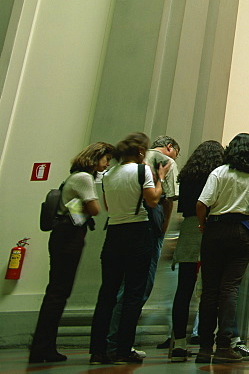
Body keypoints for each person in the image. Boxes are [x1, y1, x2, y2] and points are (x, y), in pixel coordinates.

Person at [28, 141, 114, 363]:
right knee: (59, 292)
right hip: (69, 237)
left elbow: (79, 207)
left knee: (56, 291)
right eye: (106, 160)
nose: (107, 164)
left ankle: (43, 345)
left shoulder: (74, 177)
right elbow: (95, 209)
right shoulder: (84, 178)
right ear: (96, 158)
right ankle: (42, 347)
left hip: (63, 235)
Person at [89, 132, 169, 365]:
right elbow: (153, 200)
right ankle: (123, 349)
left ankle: (97, 350)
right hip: (137, 233)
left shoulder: (108, 174)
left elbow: (106, 205)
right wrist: (160, 178)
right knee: (133, 294)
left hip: (113, 233)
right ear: (141, 152)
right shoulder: (143, 171)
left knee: (107, 294)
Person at [107, 134, 180, 358]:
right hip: (146, 229)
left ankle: (107, 341)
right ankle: (120, 344)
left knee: (116, 288)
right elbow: (165, 199)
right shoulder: (166, 162)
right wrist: (163, 231)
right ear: (169, 147)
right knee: (138, 289)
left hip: (117, 229)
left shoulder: (117, 169)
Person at [195, 133, 249, 364]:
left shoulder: (219, 172)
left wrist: (203, 224)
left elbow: (202, 203)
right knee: (230, 289)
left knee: (210, 289)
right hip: (242, 231)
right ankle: (224, 345)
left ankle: (204, 347)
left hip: (215, 229)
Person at [164, 139, 224, 362]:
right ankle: (206, 342)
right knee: (211, 290)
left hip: (189, 230)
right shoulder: (218, 174)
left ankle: (178, 341)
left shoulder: (188, 175)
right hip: (211, 228)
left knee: (184, 289)